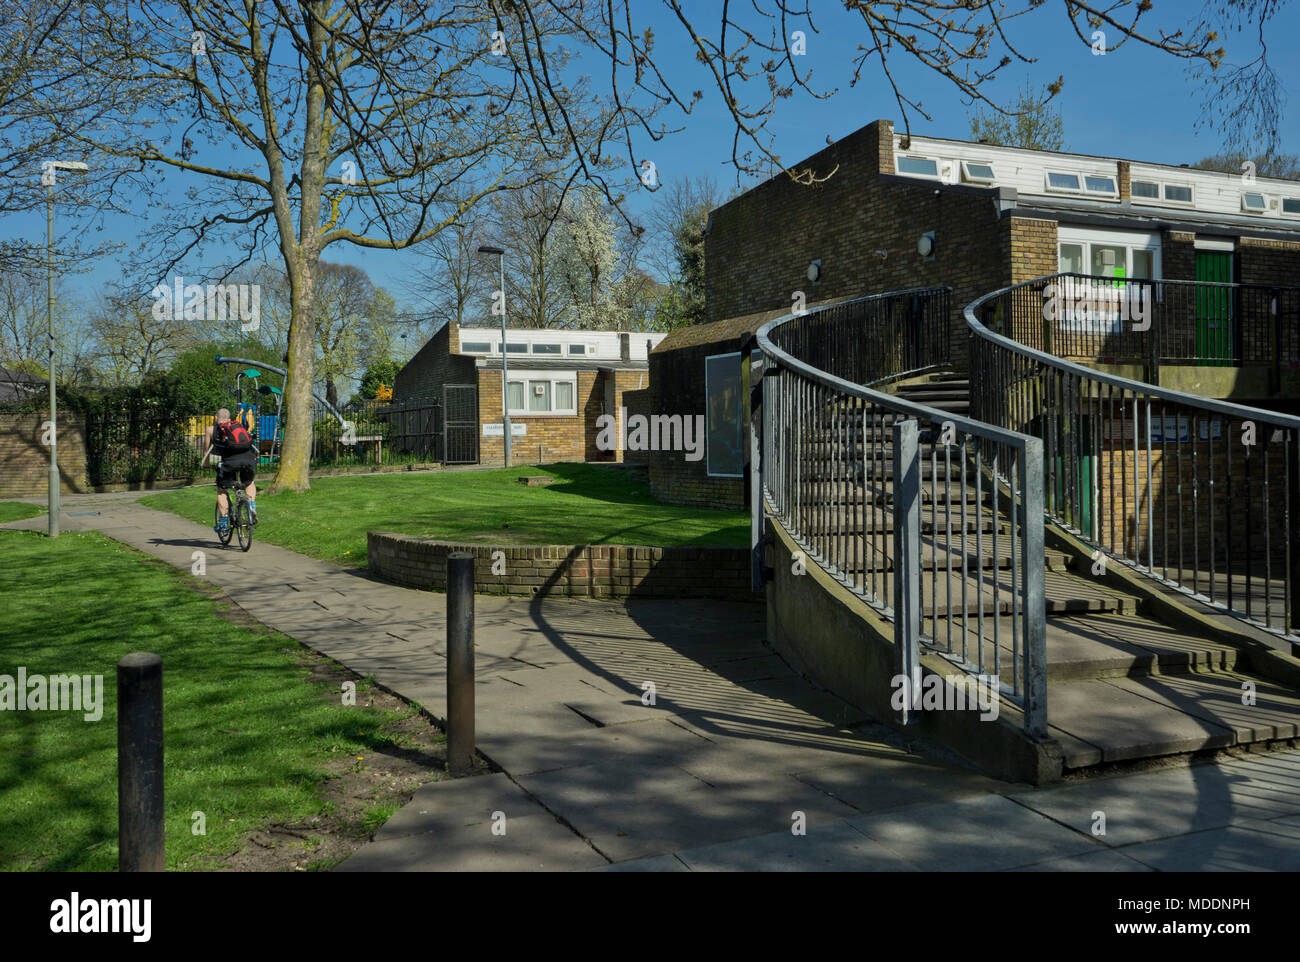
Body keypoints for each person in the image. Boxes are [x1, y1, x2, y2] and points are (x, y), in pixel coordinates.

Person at [205, 407, 258, 534]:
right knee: (249, 483)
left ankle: (223, 522)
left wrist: (206, 463)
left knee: (221, 490)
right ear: (229, 419)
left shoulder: (211, 429)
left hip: (229, 463)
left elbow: (206, 450)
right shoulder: (239, 426)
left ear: (215, 418)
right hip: (248, 460)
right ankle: (251, 505)